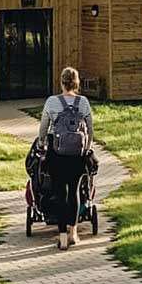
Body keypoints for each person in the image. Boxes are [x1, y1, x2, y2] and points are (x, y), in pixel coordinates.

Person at [38, 66, 93, 251]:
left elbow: (43, 128)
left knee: (60, 193)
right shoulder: (83, 102)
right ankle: (73, 233)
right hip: (77, 156)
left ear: (61, 82)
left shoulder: (52, 102)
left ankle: (62, 237)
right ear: (76, 83)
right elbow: (90, 130)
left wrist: (42, 143)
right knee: (74, 192)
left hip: (57, 154)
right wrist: (86, 148)